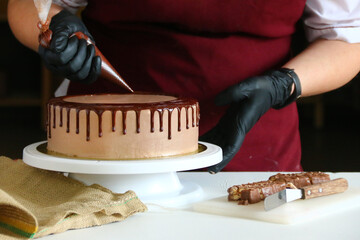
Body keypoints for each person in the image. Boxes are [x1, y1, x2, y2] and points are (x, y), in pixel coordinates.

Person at [7, 0, 360, 173]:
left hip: (253, 151)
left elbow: (346, 38)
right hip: (103, 149)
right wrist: (55, 25)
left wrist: (284, 84)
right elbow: (29, 5)